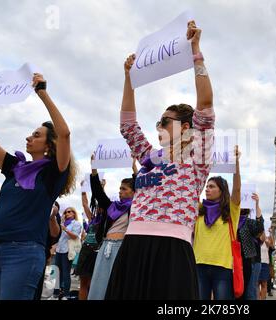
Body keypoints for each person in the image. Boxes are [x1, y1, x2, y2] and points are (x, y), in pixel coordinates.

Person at [105, 20, 214, 300]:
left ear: (187, 127)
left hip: (172, 249)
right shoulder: (149, 158)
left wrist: (196, 51)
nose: (159, 126)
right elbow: (128, 126)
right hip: (133, 246)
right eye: (159, 121)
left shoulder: (198, 159)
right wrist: (128, 78)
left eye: (166, 121)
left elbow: (205, 106)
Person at [0, 75, 76, 300]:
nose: (28, 137)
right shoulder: (15, 167)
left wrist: (42, 92)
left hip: (22, 253)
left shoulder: (53, 173)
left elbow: (64, 134)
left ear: (50, 145)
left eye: (36, 135)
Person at [193, 146, 241, 300]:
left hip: (222, 267)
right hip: (199, 265)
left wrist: (236, 165)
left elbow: (237, 190)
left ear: (222, 190)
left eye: (211, 186)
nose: (207, 189)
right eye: (206, 186)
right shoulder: (199, 210)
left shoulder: (230, 212)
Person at [87, 157, 137, 300]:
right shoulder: (111, 206)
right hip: (105, 247)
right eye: (120, 188)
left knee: (119, 284)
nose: (120, 191)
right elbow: (98, 193)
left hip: (123, 248)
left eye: (124, 189)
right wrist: (94, 169)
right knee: (99, 282)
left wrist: (134, 167)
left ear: (133, 192)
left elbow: (141, 186)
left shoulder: (137, 207)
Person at [236, 194, 264, 300]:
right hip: (230, 260)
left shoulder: (248, 222)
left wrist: (256, 204)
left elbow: (260, 228)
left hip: (245, 261)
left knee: (244, 291)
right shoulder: (229, 220)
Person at [53, 207, 82, 300]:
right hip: (59, 249)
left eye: (69, 212)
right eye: (65, 212)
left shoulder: (76, 224)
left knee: (66, 273)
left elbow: (75, 236)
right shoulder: (61, 223)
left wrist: (65, 229)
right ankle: (56, 293)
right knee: (57, 272)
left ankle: (66, 294)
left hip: (67, 251)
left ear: (74, 213)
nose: (66, 213)